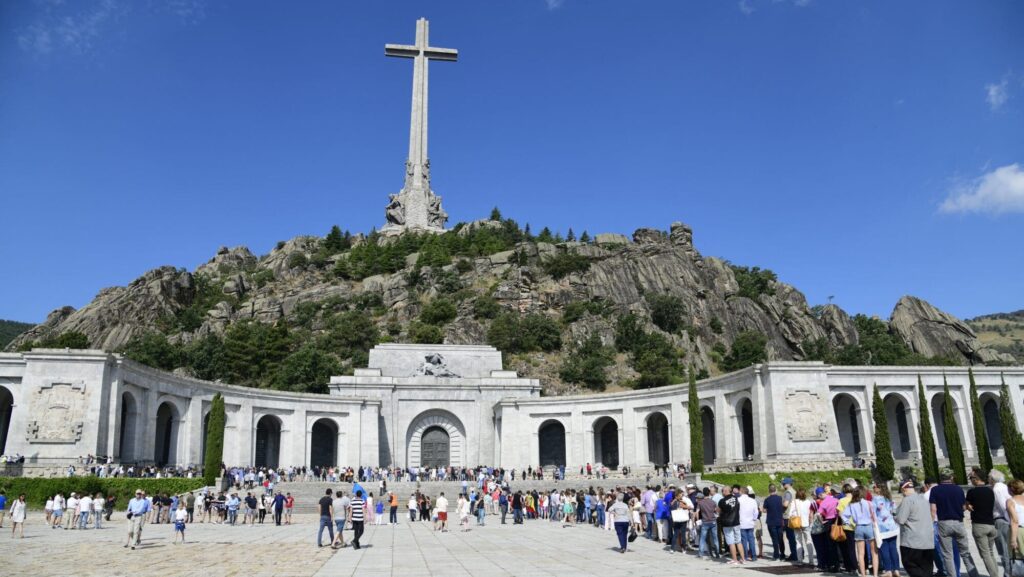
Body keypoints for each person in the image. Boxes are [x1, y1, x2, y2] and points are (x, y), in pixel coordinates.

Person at [931, 469, 981, 577]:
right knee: (965, 553)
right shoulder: (958, 489)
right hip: (958, 523)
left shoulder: (935, 490)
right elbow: (963, 507)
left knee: (947, 555)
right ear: (951, 477)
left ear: (941, 477)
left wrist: (931, 525)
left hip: (943, 523)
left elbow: (933, 510)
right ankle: (974, 575)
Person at [965, 469, 1002, 577]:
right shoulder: (990, 491)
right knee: (990, 552)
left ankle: (994, 575)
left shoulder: (972, 492)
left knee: (985, 554)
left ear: (976, 479)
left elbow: (967, 506)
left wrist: (969, 506)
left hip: (979, 525)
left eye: (971, 478)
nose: (970, 480)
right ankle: (995, 573)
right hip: (991, 524)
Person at [896, 481, 935, 577]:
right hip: (927, 541)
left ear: (903, 489)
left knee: (910, 565)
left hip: (912, 541)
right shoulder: (923, 499)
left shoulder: (907, 500)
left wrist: (894, 516)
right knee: (927, 569)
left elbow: (901, 519)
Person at [841, 487, 878, 577]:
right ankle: (875, 575)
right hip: (869, 526)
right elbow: (875, 516)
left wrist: (849, 523)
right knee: (874, 553)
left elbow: (844, 515)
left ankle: (863, 575)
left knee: (860, 554)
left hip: (858, 527)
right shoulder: (870, 503)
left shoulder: (851, 504)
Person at [872, 483, 899, 577]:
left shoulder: (875, 500)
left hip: (882, 528)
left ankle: (888, 570)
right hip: (892, 526)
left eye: (874, 487)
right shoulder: (890, 499)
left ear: (878, 489)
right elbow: (894, 511)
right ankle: (896, 569)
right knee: (893, 548)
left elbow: (873, 514)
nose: (873, 488)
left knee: (884, 549)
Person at [992, 470, 1013, 577]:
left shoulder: (996, 489)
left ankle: (1008, 573)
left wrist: (1009, 520)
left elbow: (1003, 506)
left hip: (1002, 520)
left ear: (992, 479)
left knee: (1003, 548)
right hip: (1007, 519)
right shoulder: (1005, 487)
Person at [719, 485, 744, 565]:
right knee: (738, 541)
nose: (722, 492)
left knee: (731, 542)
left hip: (727, 523)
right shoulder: (736, 498)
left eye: (723, 491)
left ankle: (734, 559)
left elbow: (718, 510)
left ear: (725, 491)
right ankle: (743, 559)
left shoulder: (722, 501)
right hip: (736, 522)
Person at [791, 488, 816, 567]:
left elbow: (790, 514)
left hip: (797, 524)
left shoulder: (794, 502)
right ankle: (811, 561)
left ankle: (800, 560)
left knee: (799, 542)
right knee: (809, 541)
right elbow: (811, 513)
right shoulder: (808, 502)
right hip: (806, 523)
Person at [763, 484, 786, 560]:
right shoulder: (780, 498)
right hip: (779, 521)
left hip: (771, 521)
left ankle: (776, 555)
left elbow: (764, 510)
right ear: (776, 490)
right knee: (780, 538)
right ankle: (782, 554)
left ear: (769, 491)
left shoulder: (767, 499)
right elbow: (783, 507)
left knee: (774, 539)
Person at [696, 490, 720, 560]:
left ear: (703, 494)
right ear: (709, 493)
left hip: (705, 521)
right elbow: (717, 511)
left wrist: (698, 520)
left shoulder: (700, 502)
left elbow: (697, 512)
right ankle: (717, 554)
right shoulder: (713, 502)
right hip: (713, 521)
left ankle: (700, 554)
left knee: (702, 538)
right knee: (715, 539)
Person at [738, 486, 759, 562]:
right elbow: (756, 512)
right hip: (750, 522)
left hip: (742, 522)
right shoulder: (753, 500)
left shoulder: (738, 500)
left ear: (741, 492)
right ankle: (753, 556)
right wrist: (754, 519)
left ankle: (745, 556)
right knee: (751, 539)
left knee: (743, 540)